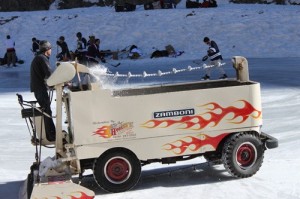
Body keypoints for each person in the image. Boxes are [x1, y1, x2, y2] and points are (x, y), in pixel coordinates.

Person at [30, 40, 56, 142]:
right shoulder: (42, 58)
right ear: (46, 49)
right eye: (50, 48)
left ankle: (51, 133)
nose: (51, 50)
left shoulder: (39, 57)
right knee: (46, 111)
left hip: (39, 87)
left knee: (47, 110)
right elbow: (49, 73)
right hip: (39, 88)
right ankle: (50, 135)